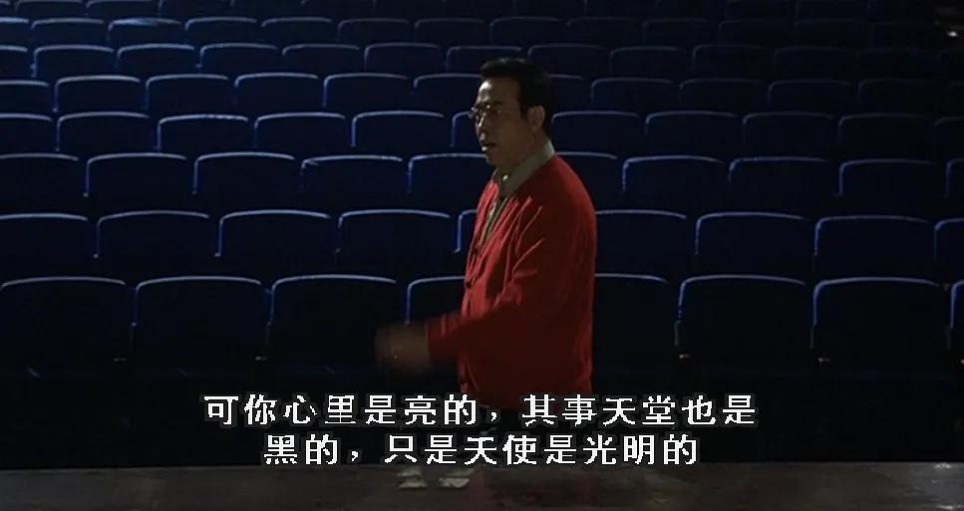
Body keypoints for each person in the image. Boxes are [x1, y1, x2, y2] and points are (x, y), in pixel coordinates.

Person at [375, 57, 597, 429]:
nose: (482, 125)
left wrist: (430, 343)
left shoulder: (559, 202)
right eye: (477, 114)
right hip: (493, 401)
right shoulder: (499, 183)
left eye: (495, 112)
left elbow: (521, 311)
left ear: (535, 117)